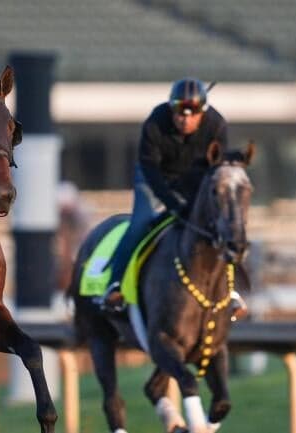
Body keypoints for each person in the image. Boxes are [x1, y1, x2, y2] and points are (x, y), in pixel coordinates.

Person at [99, 77, 247, 319]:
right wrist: (173, 204)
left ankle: (230, 292)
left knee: (222, 228)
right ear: (171, 109)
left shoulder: (217, 125)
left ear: (203, 112)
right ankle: (115, 285)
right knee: (141, 223)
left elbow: (216, 168)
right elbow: (150, 169)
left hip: (196, 179)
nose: (184, 119)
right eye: (179, 113)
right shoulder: (156, 121)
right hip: (155, 178)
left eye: (192, 114)